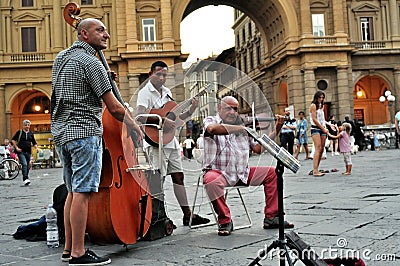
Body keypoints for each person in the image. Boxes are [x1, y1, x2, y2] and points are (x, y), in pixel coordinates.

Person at [51, 18, 143, 265]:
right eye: (100, 30)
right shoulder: (91, 63)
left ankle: (69, 248)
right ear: (84, 34)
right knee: (82, 192)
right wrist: (134, 126)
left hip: (62, 132)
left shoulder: (62, 58)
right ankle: (79, 253)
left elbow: (72, 88)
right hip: (84, 132)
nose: (107, 35)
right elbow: (114, 108)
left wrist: (103, 77)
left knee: (71, 191)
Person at [202, 96, 294, 236]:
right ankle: (225, 219)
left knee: (272, 173)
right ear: (219, 109)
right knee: (210, 180)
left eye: (235, 109)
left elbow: (258, 149)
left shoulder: (244, 128)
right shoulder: (211, 120)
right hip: (219, 173)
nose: (232, 112)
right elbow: (212, 129)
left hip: (242, 173)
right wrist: (240, 128)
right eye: (228, 108)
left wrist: (277, 128)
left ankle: (272, 217)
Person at [136, 61, 210, 227]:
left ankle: (187, 214)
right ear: (150, 74)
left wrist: (191, 110)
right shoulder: (144, 93)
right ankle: (157, 217)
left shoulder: (168, 93)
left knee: (179, 176)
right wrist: (160, 120)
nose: (162, 78)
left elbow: (176, 120)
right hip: (156, 142)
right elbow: (140, 116)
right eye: (158, 74)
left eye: (164, 75)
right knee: (157, 180)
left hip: (171, 142)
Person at [11, 120, 38, 186]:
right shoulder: (19, 132)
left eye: (28, 125)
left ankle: (26, 177)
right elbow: (13, 140)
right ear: (23, 126)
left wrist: (36, 148)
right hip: (21, 151)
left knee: (28, 165)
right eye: (26, 125)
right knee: (24, 164)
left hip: (28, 152)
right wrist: (16, 147)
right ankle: (25, 178)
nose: (27, 126)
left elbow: (34, 142)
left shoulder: (31, 133)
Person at [309, 91, 329, 177]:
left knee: (321, 148)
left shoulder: (322, 106)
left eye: (322, 98)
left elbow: (322, 119)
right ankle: (315, 170)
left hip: (322, 128)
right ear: (316, 97)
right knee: (317, 147)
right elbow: (314, 119)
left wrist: (328, 125)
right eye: (319, 97)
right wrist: (323, 128)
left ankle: (316, 167)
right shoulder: (313, 106)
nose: (321, 99)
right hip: (315, 128)